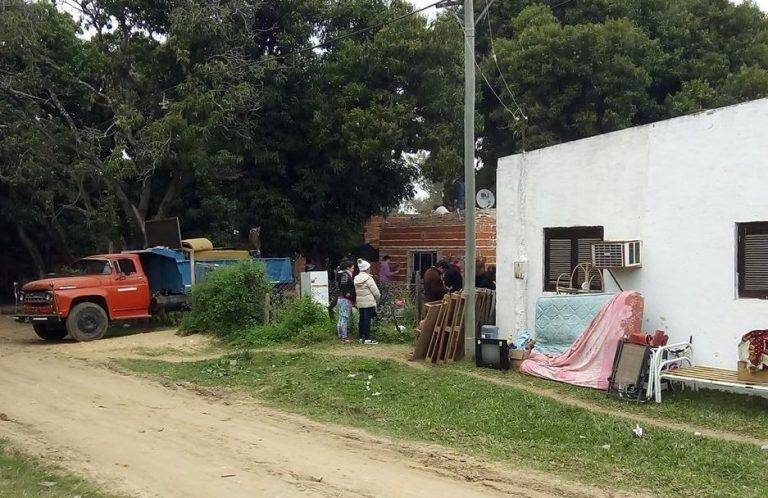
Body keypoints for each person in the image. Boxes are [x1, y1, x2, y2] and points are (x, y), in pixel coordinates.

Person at [354, 259, 380, 344]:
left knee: (361, 319)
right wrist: (377, 300)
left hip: (360, 302)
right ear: (367, 269)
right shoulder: (369, 278)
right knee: (367, 320)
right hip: (369, 302)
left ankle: (361, 338)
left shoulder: (356, 278)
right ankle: (368, 338)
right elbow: (376, 292)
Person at [336, 260, 356, 344]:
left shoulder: (340, 274)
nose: (353, 269)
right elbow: (343, 285)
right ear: (348, 268)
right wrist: (347, 294)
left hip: (341, 298)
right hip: (345, 299)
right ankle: (344, 338)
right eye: (352, 268)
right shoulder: (345, 275)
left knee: (341, 318)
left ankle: (340, 335)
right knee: (344, 318)